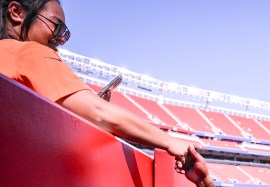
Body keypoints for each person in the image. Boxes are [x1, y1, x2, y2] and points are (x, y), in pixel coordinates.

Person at [0, 0, 190, 164]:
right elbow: (100, 114)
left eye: (65, 33)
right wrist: (170, 141)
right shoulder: (29, 53)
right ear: (17, 12)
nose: (60, 39)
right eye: (57, 26)